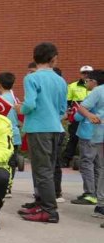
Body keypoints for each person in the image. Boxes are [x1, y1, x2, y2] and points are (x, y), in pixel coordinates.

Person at [17, 43, 68, 223]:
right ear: (52, 58)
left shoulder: (31, 78)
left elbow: (30, 104)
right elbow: (63, 108)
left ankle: (49, 210)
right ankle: (42, 203)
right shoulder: (60, 80)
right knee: (48, 168)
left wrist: (20, 108)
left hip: (38, 128)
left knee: (42, 170)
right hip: (55, 127)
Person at [73, 69, 104, 214]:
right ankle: (99, 195)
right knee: (99, 166)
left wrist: (87, 115)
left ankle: (90, 193)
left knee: (87, 162)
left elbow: (80, 112)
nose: (86, 83)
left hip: (91, 133)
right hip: (98, 134)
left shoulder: (96, 92)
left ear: (94, 82)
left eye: (88, 80)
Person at [0, 72, 21, 193]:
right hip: (15, 134)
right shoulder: (16, 100)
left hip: (2, 135)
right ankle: (8, 187)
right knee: (12, 163)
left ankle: (1, 187)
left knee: (0, 162)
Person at [63, 65, 93, 166]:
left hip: (92, 114)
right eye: (84, 73)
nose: (86, 75)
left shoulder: (95, 86)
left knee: (92, 137)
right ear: (80, 74)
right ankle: (66, 159)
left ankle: (89, 159)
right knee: (74, 136)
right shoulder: (73, 86)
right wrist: (68, 111)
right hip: (78, 114)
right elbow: (68, 101)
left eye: (88, 73)